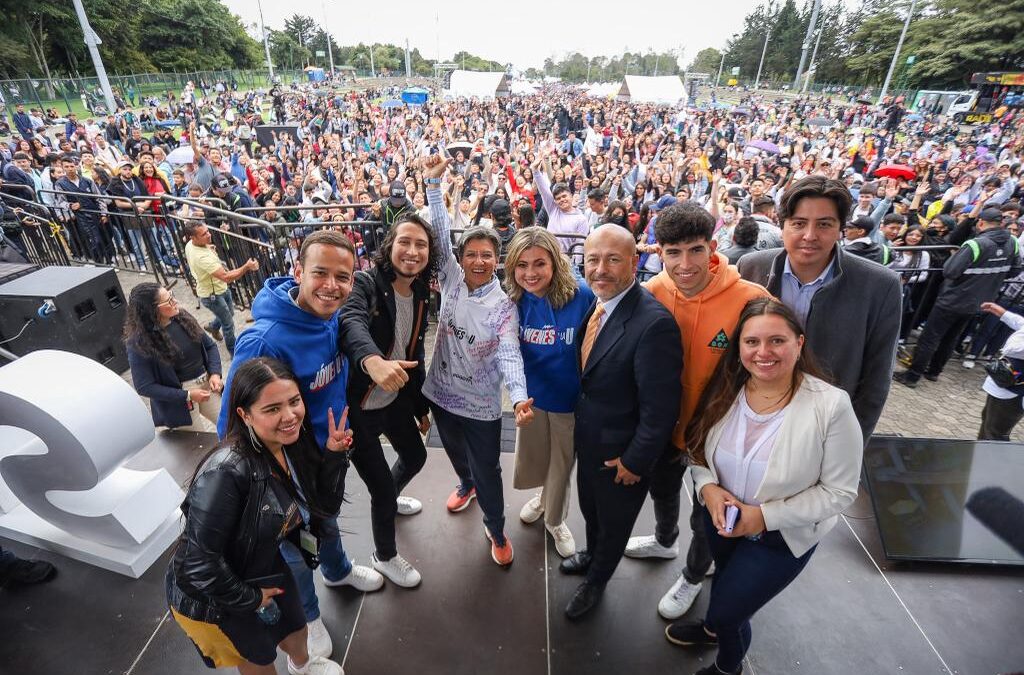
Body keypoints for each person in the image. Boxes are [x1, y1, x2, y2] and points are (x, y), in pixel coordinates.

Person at [664, 299, 862, 675]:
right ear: (739, 348)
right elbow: (698, 451)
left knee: (727, 613)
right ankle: (712, 628)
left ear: (799, 344)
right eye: (752, 342)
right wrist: (707, 489)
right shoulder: (727, 389)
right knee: (725, 582)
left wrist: (762, 517)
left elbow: (840, 491)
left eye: (777, 341)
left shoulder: (831, 406)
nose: (763, 352)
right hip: (722, 520)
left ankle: (727, 666)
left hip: (781, 537)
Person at [217, 230, 384, 661]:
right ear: (298, 273)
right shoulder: (264, 339)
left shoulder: (332, 315)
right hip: (281, 465)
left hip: (326, 449)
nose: (332, 285)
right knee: (291, 546)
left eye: (342, 276)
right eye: (321, 273)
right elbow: (230, 421)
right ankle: (307, 616)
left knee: (326, 519)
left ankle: (338, 571)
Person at [621, 202, 771, 620]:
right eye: (673, 252)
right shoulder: (651, 293)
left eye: (695, 250)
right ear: (659, 253)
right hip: (667, 427)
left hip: (720, 436)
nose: (684, 264)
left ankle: (692, 574)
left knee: (709, 514)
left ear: (713, 247)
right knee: (663, 490)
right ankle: (664, 540)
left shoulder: (750, 300)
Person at [166, 357, 348, 675]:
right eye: (272, 409)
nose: (290, 416)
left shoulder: (291, 443)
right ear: (245, 414)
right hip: (215, 590)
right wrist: (250, 598)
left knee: (295, 625)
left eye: (294, 402)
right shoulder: (227, 471)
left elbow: (325, 508)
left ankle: (302, 666)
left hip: (262, 562)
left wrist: (334, 455)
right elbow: (199, 564)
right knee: (258, 657)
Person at [559, 224, 681, 620]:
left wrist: (635, 462)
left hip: (622, 456)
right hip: (591, 440)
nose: (600, 269)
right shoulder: (599, 305)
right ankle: (593, 554)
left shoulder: (653, 324)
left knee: (614, 523)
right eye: (592, 259)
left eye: (613, 259)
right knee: (591, 510)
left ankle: (597, 580)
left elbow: (660, 408)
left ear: (634, 262)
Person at [422, 154, 535, 567]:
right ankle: (464, 483)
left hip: (483, 408)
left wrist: (519, 397)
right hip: (440, 394)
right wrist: (433, 187)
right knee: (454, 452)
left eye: (487, 255)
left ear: (497, 260)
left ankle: (496, 526)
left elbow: (509, 354)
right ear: (461, 257)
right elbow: (436, 232)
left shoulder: (504, 307)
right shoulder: (450, 279)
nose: (478, 261)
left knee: (489, 469)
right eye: (471, 253)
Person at [737, 176, 902, 443]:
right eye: (799, 223)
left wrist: (850, 443)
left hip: (825, 429)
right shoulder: (752, 267)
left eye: (824, 224)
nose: (810, 236)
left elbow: (876, 379)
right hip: (754, 418)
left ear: (840, 229)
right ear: (783, 226)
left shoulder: (879, 286)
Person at [338, 214, 437, 589]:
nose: (412, 251)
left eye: (421, 245)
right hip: (359, 405)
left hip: (394, 399)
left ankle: (390, 499)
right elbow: (351, 322)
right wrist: (373, 361)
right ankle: (384, 555)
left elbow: (416, 354)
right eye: (405, 242)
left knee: (416, 456)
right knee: (378, 487)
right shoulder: (365, 283)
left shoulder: (421, 292)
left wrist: (420, 406)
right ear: (389, 245)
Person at [504, 227, 595, 558]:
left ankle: (555, 519)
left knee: (561, 464)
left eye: (539, 263)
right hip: (529, 399)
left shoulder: (582, 295)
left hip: (569, 401)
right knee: (537, 458)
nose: (530, 273)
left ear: (555, 263)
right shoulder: (512, 301)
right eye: (522, 265)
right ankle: (544, 498)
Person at [894, 207, 1022, 388]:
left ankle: (912, 376)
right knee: (951, 337)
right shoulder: (1013, 243)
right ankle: (933, 372)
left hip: (954, 299)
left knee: (930, 338)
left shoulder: (975, 244)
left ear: (981, 223)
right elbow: (1016, 269)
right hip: (981, 301)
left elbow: (950, 270)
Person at [125, 283, 223, 433]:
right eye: (168, 300)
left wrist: (215, 373)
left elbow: (210, 346)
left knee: (231, 425)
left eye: (172, 296)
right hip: (179, 400)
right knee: (198, 445)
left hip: (207, 384)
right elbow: (144, 386)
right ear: (152, 310)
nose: (175, 301)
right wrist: (188, 395)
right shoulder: (138, 342)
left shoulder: (182, 316)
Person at [183, 222, 259, 355]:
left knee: (229, 313)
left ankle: (213, 327)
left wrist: (208, 246)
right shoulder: (202, 258)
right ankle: (234, 351)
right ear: (193, 238)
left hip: (219, 289)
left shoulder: (191, 245)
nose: (209, 235)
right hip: (212, 295)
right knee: (228, 323)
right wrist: (246, 267)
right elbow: (226, 277)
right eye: (204, 234)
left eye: (207, 231)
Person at [976, 301, 1024, 441]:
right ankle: (979, 457)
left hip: (1015, 390)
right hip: (1004, 382)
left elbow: (1014, 348)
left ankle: (987, 461)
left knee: (995, 433)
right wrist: (1003, 314)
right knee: (988, 423)